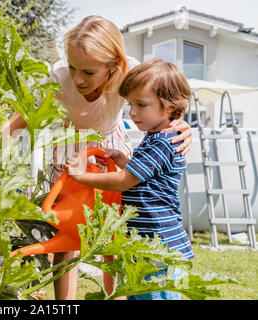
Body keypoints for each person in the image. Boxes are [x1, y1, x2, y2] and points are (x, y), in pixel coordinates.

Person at [0, 16, 193, 300]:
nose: (77, 78)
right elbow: (11, 129)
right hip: (69, 153)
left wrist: (181, 124)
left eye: (88, 72)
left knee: (112, 239)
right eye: (73, 67)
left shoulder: (131, 71)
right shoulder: (59, 78)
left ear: (113, 67)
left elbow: (168, 93)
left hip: (108, 153)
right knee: (66, 239)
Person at [64, 58, 194, 300]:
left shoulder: (163, 142)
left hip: (158, 249)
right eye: (130, 105)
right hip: (148, 244)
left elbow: (125, 181)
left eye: (141, 105)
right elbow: (147, 177)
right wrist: (124, 159)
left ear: (169, 107)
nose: (132, 113)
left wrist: (82, 176)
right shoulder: (155, 138)